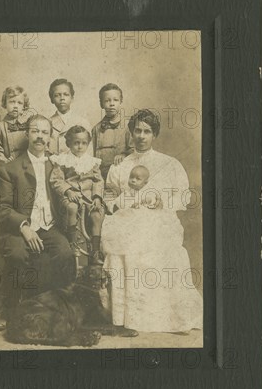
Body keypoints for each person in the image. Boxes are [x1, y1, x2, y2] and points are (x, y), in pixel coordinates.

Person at [102, 109, 203, 334]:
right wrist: (118, 205)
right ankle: (126, 318)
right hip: (128, 221)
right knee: (123, 242)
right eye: (137, 130)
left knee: (157, 241)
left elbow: (183, 196)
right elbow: (108, 195)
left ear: (154, 134)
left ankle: (164, 317)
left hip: (159, 221)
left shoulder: (169, 164)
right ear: (130, 133)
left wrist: (162, 200)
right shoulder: (120, 165)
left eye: (147, 131)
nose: (141, 136)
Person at [0, 114, 75, 331]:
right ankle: (8, 308)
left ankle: (52, 308)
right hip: (18, 229)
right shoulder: (10, 168)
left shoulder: (57, 165)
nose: (40, 136)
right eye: (35, 131)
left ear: (50, 137)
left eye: (44, 132)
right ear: (27, 134)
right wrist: (24, 227)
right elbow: (0, 209)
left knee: (65, 253)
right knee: (18, 255)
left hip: (49, 227)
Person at [50, 126, 105, 265]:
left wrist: (97, 197)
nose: (80, 146)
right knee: (72, 208)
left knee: (97, 215)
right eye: (76, 143)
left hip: (88, 197)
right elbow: (56, 180)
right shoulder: (62, 160)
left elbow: (98, 181)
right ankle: (73, 242)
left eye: (84, 143)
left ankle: (95, 250)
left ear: (88, 143)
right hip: (70, 196)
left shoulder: (92, 162)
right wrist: (68, 190)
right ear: (68, 144)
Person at [91, 83, 133, 179]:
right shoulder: (96, 129)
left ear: (121, 102)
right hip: (101, 176)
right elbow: (91, 154)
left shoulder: (128, 126)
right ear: (101, 104)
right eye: (107, 100)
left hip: (121, 174)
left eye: (116, 100)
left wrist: (124, 154)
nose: (112, 103)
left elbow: (134, 150)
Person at [0, 85, 33, 163]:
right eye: (12, 102)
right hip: (9, 165)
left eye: (19, 103)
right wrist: (4, 159)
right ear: (5, 104)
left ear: (24, 106)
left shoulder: (29, 123)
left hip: (28, 164)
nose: (15, 106)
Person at [48, 78, 91, 155]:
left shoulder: (83, 122)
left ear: (72, 98)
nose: (62, 98)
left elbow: (89, 153)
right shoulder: (47, 123)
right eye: (57, 95)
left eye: (66, 94)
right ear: (52, 99)